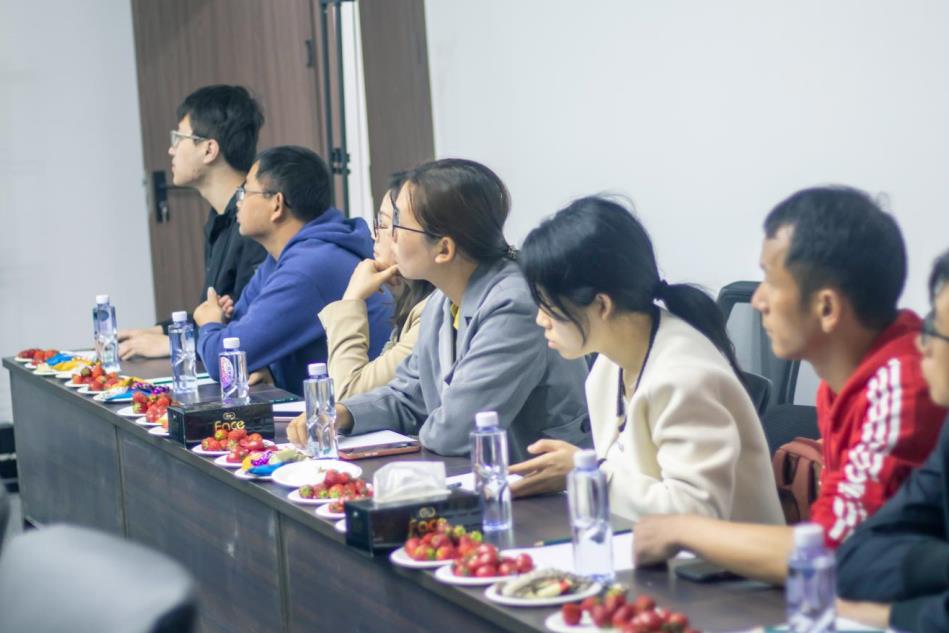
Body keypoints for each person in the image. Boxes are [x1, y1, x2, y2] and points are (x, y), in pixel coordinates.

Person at [633, 186, 948, 584]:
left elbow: (832, 552)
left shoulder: (902, 386)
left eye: (771, 281)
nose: (758, 300)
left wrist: (684, 528)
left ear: (827, 307)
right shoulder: (843, 379)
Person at [506, 196, 783, 524]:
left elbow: (696, 513)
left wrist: (587, 473)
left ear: (602, 305)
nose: (541, 320)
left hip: (723, 555)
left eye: (548, 306)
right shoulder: (612, 361)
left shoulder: (683, 376)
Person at [288, 159, 590, 460]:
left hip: (539, 482)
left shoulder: (514, 305)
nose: (389, 237)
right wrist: (344, 413)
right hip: (478, 473)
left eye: (398, 225)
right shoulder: (440, 302)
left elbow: (459, 431)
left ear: (444, 249)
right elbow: (407, 396)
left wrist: (420, 428)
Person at [193, 145, 392, 395]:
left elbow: (224, 361)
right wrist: (259, 360)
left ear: (277, 204)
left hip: (355, 412)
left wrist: (210, 323)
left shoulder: (309, 267)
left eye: (245, 192)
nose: (238, 203)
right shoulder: (284, 256)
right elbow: (240, 329)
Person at [835, 250, 949, 632]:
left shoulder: (900, 388)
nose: (923, 346)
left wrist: (894, 616)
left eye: (936, 331)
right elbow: (856, 557)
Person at [119, 85, 267, 359]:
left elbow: (251, 327)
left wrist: (173, 344)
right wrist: (156, 331)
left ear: (209, 149)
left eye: (179, 138)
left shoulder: (256, 222)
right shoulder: (219, 218)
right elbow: (212, 313)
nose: (171, 149)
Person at [316, 172, 434, 400]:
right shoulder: (416, 299)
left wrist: (352, 299)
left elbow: (349, 394)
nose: (375, 235)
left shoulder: (432, 311)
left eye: (384, 224)